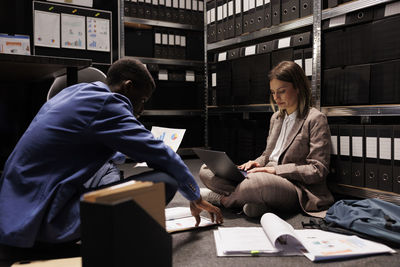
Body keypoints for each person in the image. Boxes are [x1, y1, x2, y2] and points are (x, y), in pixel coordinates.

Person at [0, 58, 223, 248]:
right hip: (39, 221)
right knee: (164, 180)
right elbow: (162, 155)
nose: (141, 109)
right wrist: (194, 196)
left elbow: (108, 155)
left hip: (13, 209)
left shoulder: (76, 91)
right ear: (127, 87)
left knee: (109, 171)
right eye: (142, 100)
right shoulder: (109, 103)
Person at [200, 61, 334, 218]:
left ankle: (223, 200)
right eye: (273, 92)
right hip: (264, 177)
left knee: (256, 182)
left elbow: (318, 170)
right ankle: (255, 201)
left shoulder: (315, 119)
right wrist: (254, 163)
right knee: (206, 170)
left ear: (298, 88)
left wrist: (275, 170)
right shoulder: (276, 118)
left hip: (295, 187)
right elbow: (267, 156)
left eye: (282, 91)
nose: (276, 97)